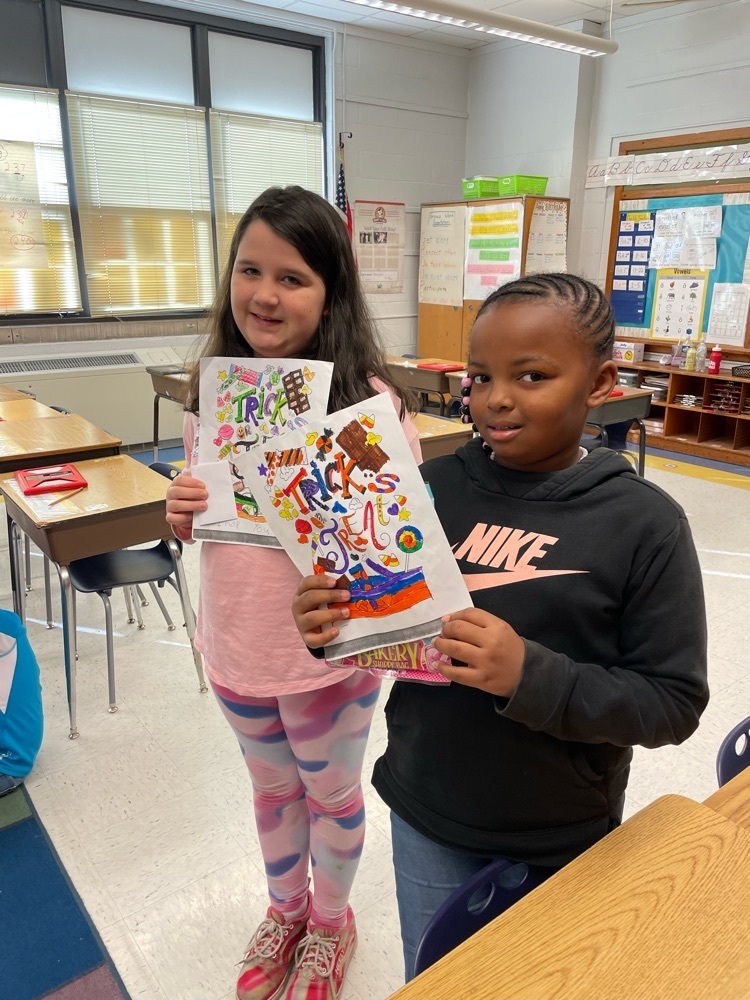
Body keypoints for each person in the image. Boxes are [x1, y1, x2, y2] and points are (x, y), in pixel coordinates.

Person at [291, 272, 709, 982]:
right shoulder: (434, 487)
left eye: (533, 375)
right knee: (440, 980)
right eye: (481, 377)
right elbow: (385, 626)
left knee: (551, 980)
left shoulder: (645, 524)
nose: (498, 399)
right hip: (426, 809)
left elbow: (672, 702)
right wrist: (327, 624)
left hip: (560, 833)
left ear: (601, 382)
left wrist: (530, 675)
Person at [165, 185, 420, 1000]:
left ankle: (332, 924)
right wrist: (181, 511)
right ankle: (287, 910)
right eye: (249, 270)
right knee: (272, 790)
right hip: (236, 644)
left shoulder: (372, 408)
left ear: (332, 293)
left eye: (293, 277)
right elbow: (207, 525)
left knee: (331, 793)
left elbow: (400, 547)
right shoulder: (213, 398)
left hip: (328, 659)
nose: (264, 295)